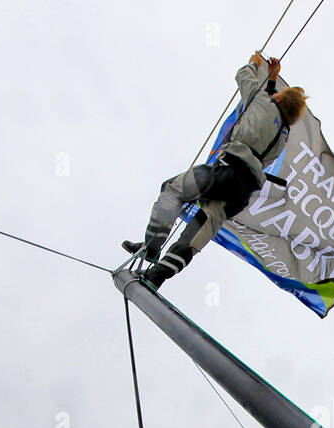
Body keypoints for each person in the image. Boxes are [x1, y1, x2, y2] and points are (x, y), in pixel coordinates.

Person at [123, 53, 307, 289]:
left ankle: (151, 248)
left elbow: (242, 76)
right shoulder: (284, 134)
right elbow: (273, 108)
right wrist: (273, 82)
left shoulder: (262, 101)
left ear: (279, 100)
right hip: (242, 191)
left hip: (225, 171)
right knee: (198, 232)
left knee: (173, 190)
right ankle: (157, 276)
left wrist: (255, 64)